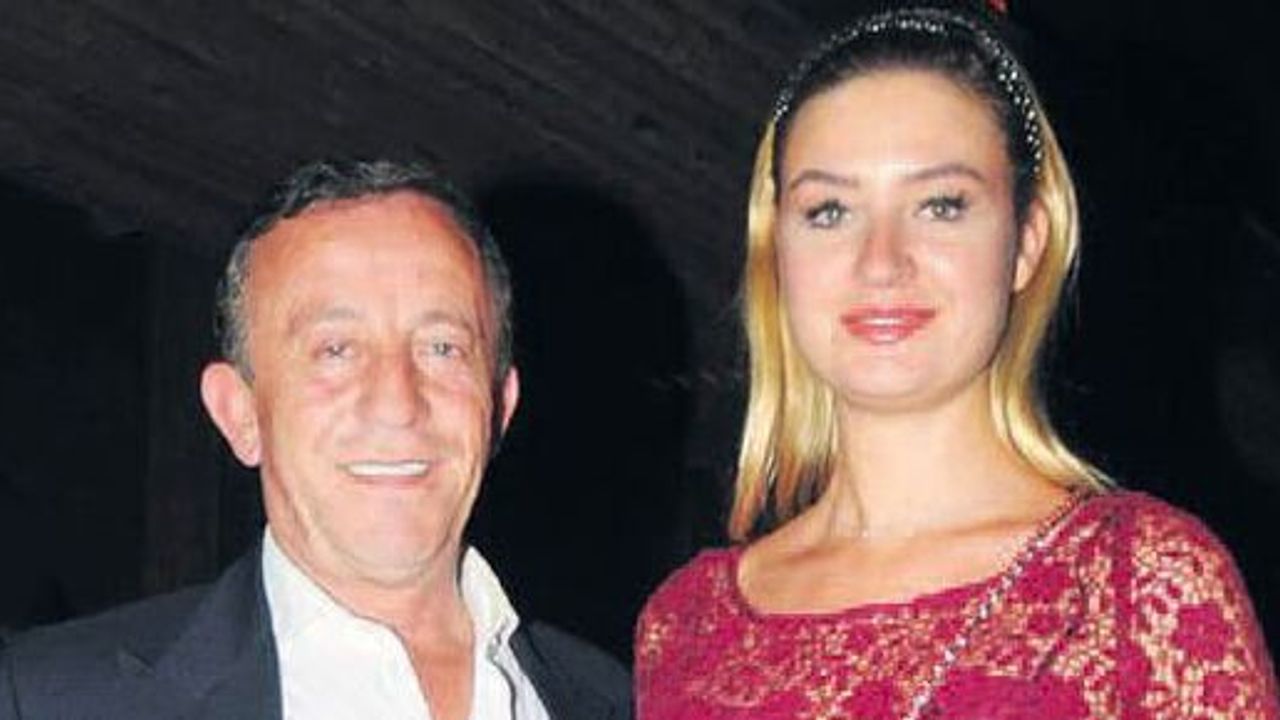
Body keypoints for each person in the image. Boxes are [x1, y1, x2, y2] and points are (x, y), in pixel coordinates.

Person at [635, 6, 1278, 719]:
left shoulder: (1139, 581)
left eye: (940, 205)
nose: (881, 262)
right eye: (829, 211)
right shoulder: (685, 623)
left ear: (1026, 242)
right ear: (777, 253)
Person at [0, 160, 631, 720]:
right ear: (240, 414)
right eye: (336, 350)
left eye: (442, 348)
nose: (396, 403)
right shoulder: (49, 702)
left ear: (499, 407)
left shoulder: (628, 701)